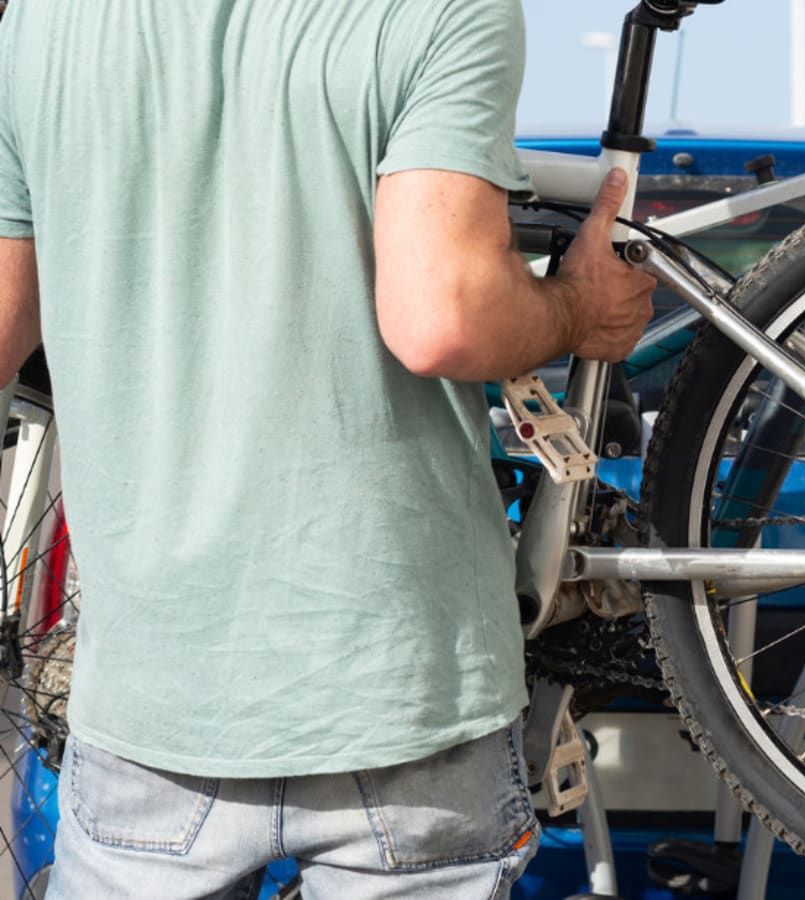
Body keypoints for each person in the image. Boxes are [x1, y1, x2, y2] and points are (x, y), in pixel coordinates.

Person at [0, 0, 655, 896]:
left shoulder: (43, 24)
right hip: (405, 694)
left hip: (154, 700)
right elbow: (445, 317)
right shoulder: (442, 13)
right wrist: (581, 307)